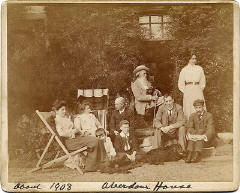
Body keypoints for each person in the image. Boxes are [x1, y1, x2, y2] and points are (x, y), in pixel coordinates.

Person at [52, 99, 106, 172]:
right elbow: (61, 133)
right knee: (95, 141)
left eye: (65, 109)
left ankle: (101, 163)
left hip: (77, 138)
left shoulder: (65, 118)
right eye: (62, 110)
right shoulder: (57, 120)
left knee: (98, 140)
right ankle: (92, 166)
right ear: (56, 111)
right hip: (70, 141)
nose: (65, 111)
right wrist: (73, 131)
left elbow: (75, 128)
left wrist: (80, 132)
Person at [178, 54, 206, 120]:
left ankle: (201, 123)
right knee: (189, 106)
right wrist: (185, 91)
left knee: (199, 104)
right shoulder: (184, 70)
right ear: (188, 59)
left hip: (197, 89)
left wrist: (200, 89)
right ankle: (190, 124)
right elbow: (180, 83)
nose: (194, 60)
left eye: (195, 58)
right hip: (188, 90)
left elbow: (203, 81)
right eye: (192, 59)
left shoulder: (199, 68)